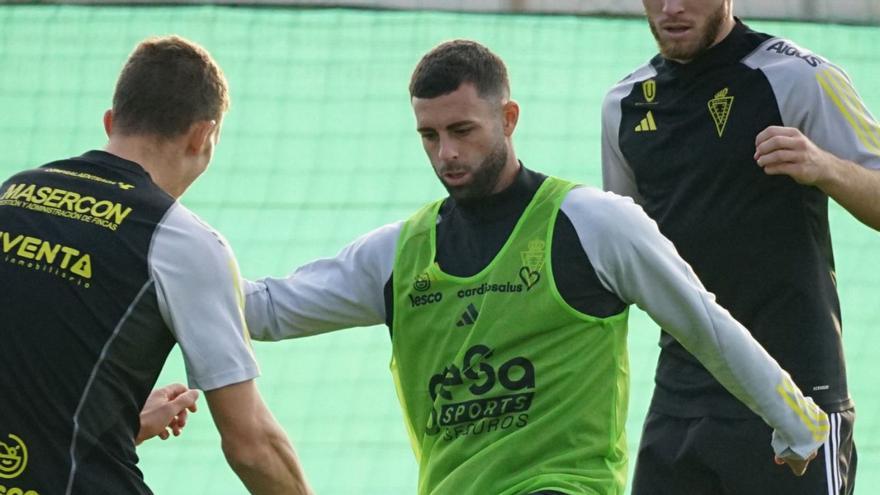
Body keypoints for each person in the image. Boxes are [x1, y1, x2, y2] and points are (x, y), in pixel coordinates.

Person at [244, 39, 827, 495]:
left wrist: (795, 417)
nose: (445, 153)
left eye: (462, 130)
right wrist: (172, 253)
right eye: (429, 135)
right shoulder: (398, 254)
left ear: (509, 117)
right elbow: (265, 310)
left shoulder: (593, 224)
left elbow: (702, 321)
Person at [0, 35, 311, 495]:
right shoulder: (182, 240)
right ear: (202, 136)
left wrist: (116, 420)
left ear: (110, 122)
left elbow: (36, 366)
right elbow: (252, 445)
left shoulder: (13, 194)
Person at [601, 1, 880, 494]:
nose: (671, 8)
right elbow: (627, 254)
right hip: (680, 401)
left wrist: (825, 167)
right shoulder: (623, 104)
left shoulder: (798, 77)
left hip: (798, 398)